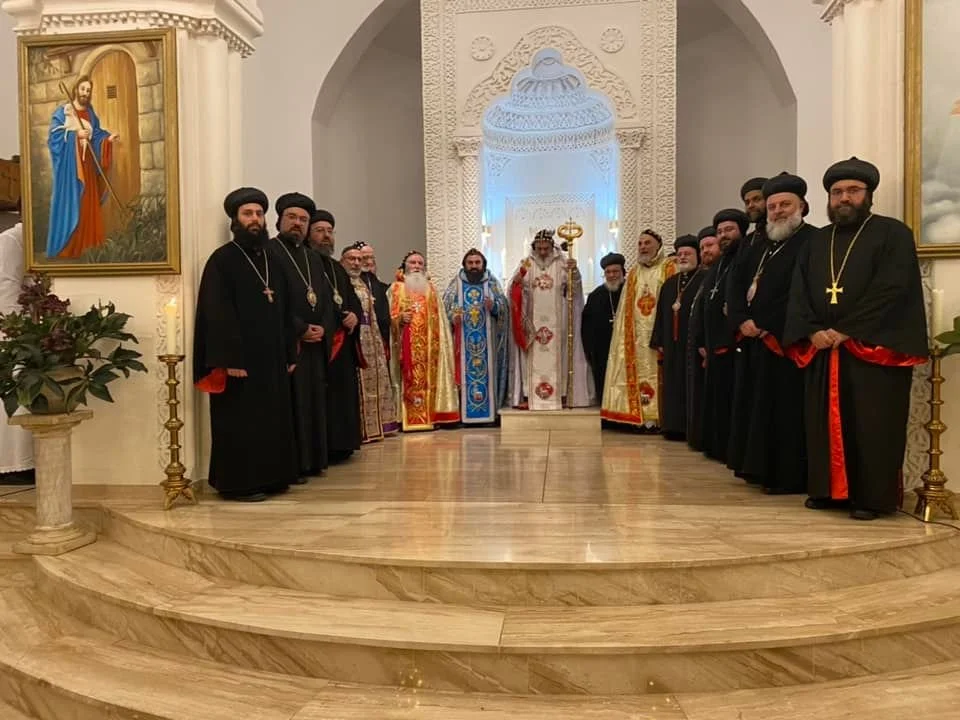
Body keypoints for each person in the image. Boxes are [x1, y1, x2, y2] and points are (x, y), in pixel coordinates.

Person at [784, 157, 928, 520]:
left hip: (871, 351)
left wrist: (846, 329)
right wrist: (813, 330)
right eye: (837, 192)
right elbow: (799, 292)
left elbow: (893, 289)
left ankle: (870, 498)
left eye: (852, 191)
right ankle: (827, 491)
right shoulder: (816, 241)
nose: (844, 198)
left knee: (872, 425)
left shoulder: (892, 234)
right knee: (821, 425)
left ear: (868, 195)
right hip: (823, 350)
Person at [193, 188, 297, 501]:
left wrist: (290, 351)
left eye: (259, 214)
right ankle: (239, 484)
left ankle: (273, 477)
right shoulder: (222, 261)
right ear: (234, 220)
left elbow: (286, 309)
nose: (255, 220)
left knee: (271, 419)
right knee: (241, 422)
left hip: (272, 358)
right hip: (241, 362)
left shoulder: (273, 261)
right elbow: (217, 312)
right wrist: (230, 358)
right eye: (247, 214)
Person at [725, 173, 815, 493]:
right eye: (773, 206)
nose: (776, 211)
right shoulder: (760, 242)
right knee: (754, 406)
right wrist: (741, 320)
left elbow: (804, 294)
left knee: (782, 410)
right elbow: (736, 286)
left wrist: (766, 324)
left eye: (784, 205)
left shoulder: (813, 241)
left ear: (802, 206)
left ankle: (784, 476)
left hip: (785, 342)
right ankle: (756, 468)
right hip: (753, 339)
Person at [268, 192, 334, 481]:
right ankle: (295, 464)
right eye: (292, 218)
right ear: (279, 220)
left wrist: (323, 327)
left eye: (303, 220)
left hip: (316, 343)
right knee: (293, 404)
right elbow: (274, 300)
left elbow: (325, 298)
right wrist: (300, 328)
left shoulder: (312, 258)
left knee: (314, 401)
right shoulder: (269, 252)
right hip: (290, 340)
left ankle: (314, 460)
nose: (298, 224)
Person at [507, 229, 592, 409]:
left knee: (558, 357)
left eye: (546, 248)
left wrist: (574, 272)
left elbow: (574, 290)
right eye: (539, 248)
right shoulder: (526, 264)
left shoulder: (562, 263)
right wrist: (517, 284)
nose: (543, 252)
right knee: (530, 358)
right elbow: (514, 290)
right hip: (532, 323)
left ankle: (560, 394)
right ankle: (530, 394)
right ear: (534, 247)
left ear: (552, 246)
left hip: (557, 323)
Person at [602, 229, 676, 428]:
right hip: (635, 338)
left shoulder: (669, 268)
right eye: (640, 243)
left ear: (658, 245)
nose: (643, 247)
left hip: (659, 333)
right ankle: (640, 417)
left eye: (647, 243)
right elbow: (625, 309)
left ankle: (660, 417)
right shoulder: (634, 272)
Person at [307, 210, 363, 462]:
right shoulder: (306, 262)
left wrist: (354, 315)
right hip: (323, 343)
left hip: (343, 343)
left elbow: (350, 300)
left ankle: (344, 444)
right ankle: (327, 447)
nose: (326, 236)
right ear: (310, 233)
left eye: (329, 231)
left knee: (343, 395)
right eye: (320, 230)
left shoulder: (336, 268)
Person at [47, 75, 119, 259]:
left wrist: (107, 140)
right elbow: (54, 138)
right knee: (76, 203)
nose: (85, 93)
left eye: (88, 90)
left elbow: (96, 135)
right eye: (83, 89)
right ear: (76, 89)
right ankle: (70, 247)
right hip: (71, 170)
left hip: (87, 167)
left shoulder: (90, 112)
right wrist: (75, 135)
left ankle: (90, 245)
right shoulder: (64, 111)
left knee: (88, 205)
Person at [698, 208, 749, 462]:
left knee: (732, 400)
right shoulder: (718, 266)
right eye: (719, 231)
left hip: (734, 344)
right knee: (717, 399)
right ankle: (717, 447)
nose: (723, 235)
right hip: (714, 344)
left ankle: (731, 450)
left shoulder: (744, 258)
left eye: (729, 230)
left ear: (741, 230)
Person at [389, 251, 460, 430]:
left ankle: (431, 416)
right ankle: (403, 417)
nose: (417, 266)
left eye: (420, 263)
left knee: (430, 380)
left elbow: (441, 321)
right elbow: (386, 317)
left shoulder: (432, 289)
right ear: (405, 266)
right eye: (413, 263)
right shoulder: (395, 289)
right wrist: (397, 319)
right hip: (406, 347)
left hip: (430, 348)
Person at [442, 248, 509, 424]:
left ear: (483, 264)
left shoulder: (492, 283)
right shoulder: (455, 285)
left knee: (487, 373)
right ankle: (462, 415)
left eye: (477, 263)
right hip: (462, 343)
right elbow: (445, 308)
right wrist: (453, 316)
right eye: (470, 263)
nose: (474, 266)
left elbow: (503, 307)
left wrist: (494, 305)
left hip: (488, 343)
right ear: (464, 265)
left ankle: (490, 414)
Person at [342, 243, 399, 441]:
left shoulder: (365, 284)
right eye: (353, 259)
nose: (358, 263)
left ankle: (379, 426)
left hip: (371, 337)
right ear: (343, 261)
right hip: (354, 337)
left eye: (361, 259)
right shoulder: (342, 282)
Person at [651, 234, 703, 440]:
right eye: (679, 254)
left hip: (691, 343)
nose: (682, 257)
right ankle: (672, 427)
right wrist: (659, 340)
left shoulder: (703, 279)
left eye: (687, 254)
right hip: (671, 345)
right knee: (672, 384)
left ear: (696, 255)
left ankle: (690, 428)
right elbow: (661, 315)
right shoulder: (669, 284)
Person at [0, 218, 34, 484]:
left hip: (30, 330)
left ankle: (28, 461)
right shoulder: (10, 240)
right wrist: (21, 330)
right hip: (12, 331)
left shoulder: (34, 241)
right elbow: (6, 290)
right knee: (15, 395)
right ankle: (14, 465)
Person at [686, 227, 721, 451]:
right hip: (702, 348)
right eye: (702, 247)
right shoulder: (706, 275)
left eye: (709, 246)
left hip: (717, 348)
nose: (706, 251)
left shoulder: (723, 271)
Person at [582, 252, 626, 403]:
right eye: (608, 272)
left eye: (615, 271)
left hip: (625, 348)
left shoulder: (631, 291)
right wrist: (589, 350)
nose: (612, 275)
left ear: (622, 272)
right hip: (602, 350)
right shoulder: (596, 295)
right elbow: (586, 324)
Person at [359, 242, 391, 349]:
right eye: (365, 258)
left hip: (380, 338)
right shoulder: (349, 283)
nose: (369, 262)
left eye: (372, 258)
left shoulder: (383, 288)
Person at [740, 177, 768, 249]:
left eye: (757, 199)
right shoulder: (746, 241)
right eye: (747, 202)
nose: (750, 206)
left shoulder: (779, 234)